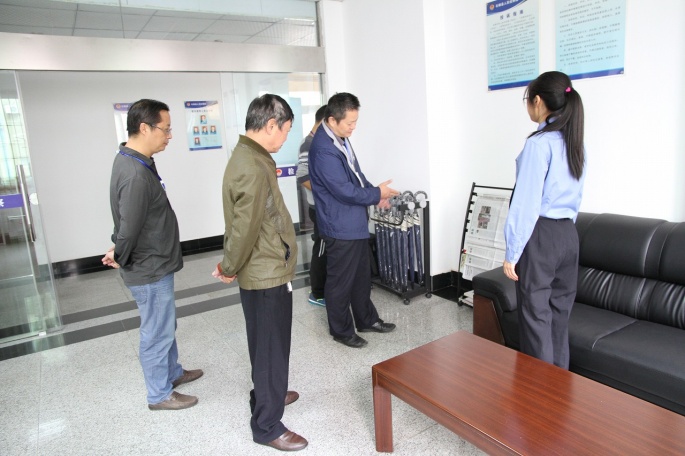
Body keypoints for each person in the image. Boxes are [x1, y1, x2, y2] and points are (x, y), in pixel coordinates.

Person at [211, 94, 307, 452]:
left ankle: (269, 394)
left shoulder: (251, 156)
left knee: (267, 343)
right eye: (286, 130)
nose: (286, 138)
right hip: (265, 272)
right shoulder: (251, 164)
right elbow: (245, 227)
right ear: (270, 125)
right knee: (270, 346)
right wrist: (229, 266)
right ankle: (267, 425)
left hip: (266, 265)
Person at [102, 99, 203, 411]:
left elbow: (129, 218)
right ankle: (159, 394)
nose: (169, 136)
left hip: (153, 259)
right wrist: (120, 252)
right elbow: (129, 226)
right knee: (156, 331)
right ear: (145, 128)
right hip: (149, 267)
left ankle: (172, 373)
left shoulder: (136, 160)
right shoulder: (135, 173)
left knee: (165, 325)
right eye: (166, 129)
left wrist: (117, 247)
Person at [503, 71, 586, 369]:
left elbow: (526, 204)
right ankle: (558, 388)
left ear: (538, 101)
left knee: (536, 318)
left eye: (528, 100)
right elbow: (576, 197)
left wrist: (512, 253)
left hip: (541, 236)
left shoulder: (539, 144)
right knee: (559, 317)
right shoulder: (575, 143)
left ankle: (538, 393)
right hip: (568, 235)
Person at [309, 92, 399, 349]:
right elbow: (343, 190)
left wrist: (376, 195)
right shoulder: (323, 150)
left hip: (354, 222)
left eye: (355, 121)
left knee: (361, 277)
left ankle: (366, 320)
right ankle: (341, 331)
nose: (353, 127)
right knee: (340, 283)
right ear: (332, 120)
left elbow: (356, 176)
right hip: (340, 226)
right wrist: (376, 193)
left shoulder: (340, 139)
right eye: (349, 123)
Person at [296, 105, 327, 307]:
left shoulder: (317, 141)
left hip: (324, 206)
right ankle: (317, 293)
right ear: (324, 121)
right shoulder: (308, 143)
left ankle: (324, 289)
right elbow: (302, 176)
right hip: (319, 207)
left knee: (325, 248)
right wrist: (326, 193)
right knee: (321, 249)